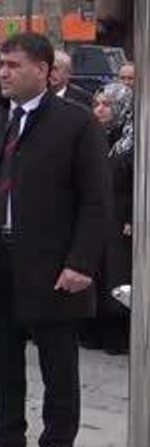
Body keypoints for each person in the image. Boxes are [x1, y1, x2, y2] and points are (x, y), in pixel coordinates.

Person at [0, 32, 109, 447]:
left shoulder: (76, 123)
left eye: (14, 65)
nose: (3, 72)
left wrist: (81, 262)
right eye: (1, 64)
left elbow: (96, 202)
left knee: (59, 367)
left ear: (43, 69)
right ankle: (7, 441)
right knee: (2, 359)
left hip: (54, 267)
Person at [89, 83, 132, 355]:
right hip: (99, 216)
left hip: (122, 218)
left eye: (106, 104)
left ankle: (118, 337)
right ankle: (93, 332)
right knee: (98, 275)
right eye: (97, 104)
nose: (99, 110)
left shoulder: (131, 140)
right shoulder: (94, 136)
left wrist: (131, 216)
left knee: (117, 277)